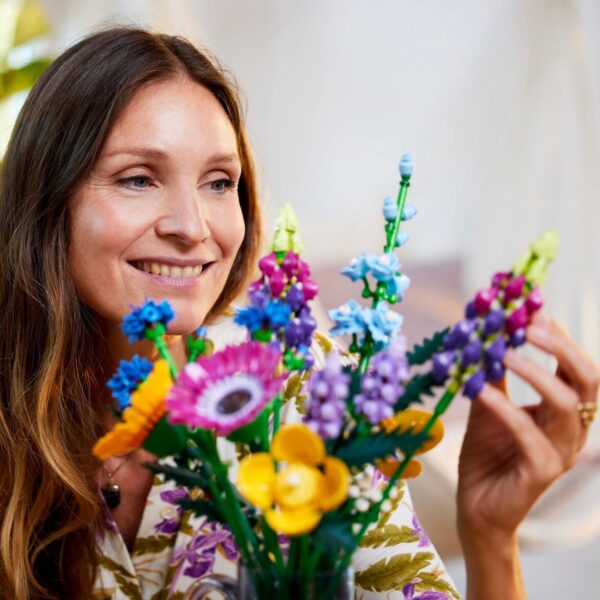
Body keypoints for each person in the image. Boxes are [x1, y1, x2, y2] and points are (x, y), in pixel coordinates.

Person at [0, 27, 597, 600]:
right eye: (138, 178)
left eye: (218, 182)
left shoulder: (303, 385)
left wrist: (491, 535)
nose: (192, 227)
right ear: (48, 201)